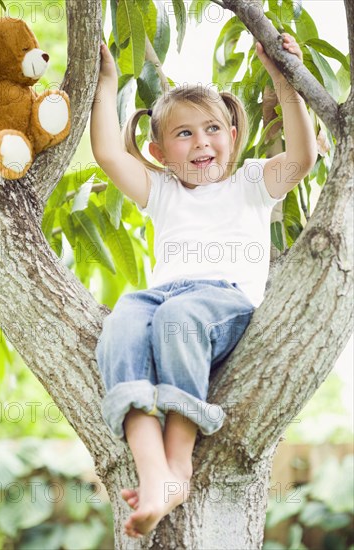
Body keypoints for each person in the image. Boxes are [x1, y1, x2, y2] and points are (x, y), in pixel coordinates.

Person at [90, 33, 317, 539]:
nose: (201, 143)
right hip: (162, 296)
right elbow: (107, 152)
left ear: (233, 135)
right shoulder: (163, 190)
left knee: (176, 318)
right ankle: (153, 475)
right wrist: (105, 83)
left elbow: (301, 158)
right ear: (158, 151)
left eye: (213, 129)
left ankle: (179, 466)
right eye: (184, 134)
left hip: (222, 300)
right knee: (123, 323)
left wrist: (285, 79)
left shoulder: (252, 182)